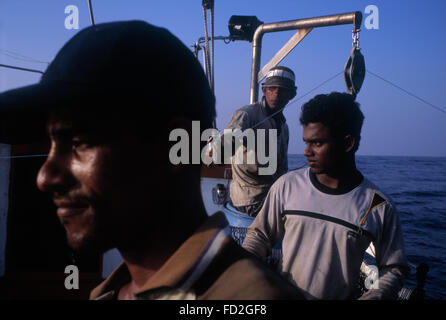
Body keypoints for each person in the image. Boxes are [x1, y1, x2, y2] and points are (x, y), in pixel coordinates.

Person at [0, 21, 303, 300]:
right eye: (52, 143)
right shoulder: (109, 293)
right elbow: (220, 150)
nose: (44, 176)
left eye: (78, 142)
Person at [242, 92, 409, 299]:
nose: (306, 151)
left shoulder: (379, 206)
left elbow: (393, 268)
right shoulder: (287, 186)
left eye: (317, 143)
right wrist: (248, 270)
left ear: (348, 144)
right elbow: (259, 236)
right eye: (305, 142)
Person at [215, 66, 296, 217]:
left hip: (271, 197)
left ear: (292, 95)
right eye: (272, 88)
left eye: (283, 90)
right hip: (249, 201)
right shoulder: (246, 114)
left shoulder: (284, 128)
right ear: (264, 90)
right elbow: (219, 156)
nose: (276, 93)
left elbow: (282, 170)